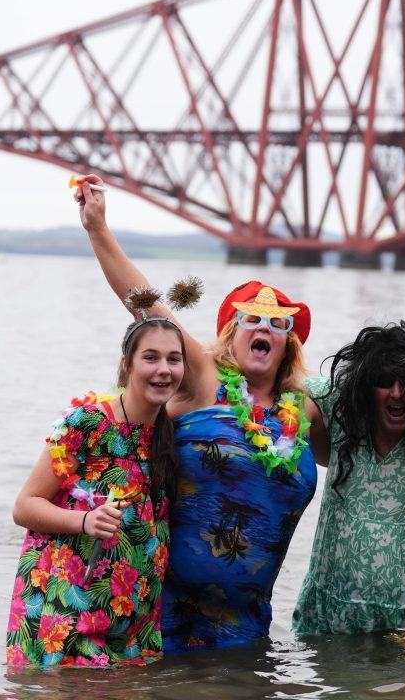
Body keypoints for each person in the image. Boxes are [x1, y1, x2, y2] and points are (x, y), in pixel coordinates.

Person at [72, 174, 328, 650]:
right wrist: (98, 229)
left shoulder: (306, 409)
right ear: (230, 333)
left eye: (277, 324)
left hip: (248, 624)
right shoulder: (204, 377)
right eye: (250, 319)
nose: (263, 329)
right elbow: (147, 306)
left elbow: (367, 446)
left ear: (288, 342)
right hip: (165, 610)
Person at [7, 295, 186, 668]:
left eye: (174, 359)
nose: (163, 369)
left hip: (133, 621)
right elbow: (25, 506)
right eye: (150, 358)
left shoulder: (169, 431)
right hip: (67, 610)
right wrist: (84, 521)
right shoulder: (88, 421)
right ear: (127, 365)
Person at [293, 323, 405, 635]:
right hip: (329, 618)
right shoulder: (343, 413)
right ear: (364, 387)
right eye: (384, 381)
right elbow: (289, 386)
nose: (397, 393)